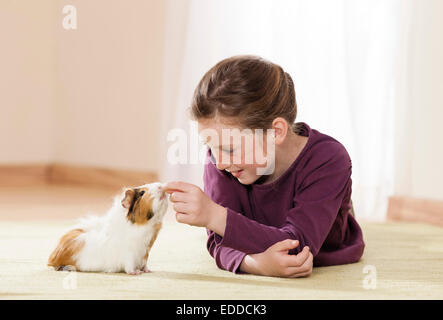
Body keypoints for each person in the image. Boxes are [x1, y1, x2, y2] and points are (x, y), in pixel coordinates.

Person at [165, 55, 365, 278]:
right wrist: (254, 263)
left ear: (276, 132)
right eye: (211, 146)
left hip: (323, 242)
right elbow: (219, 241)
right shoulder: (221, 159)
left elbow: (298, 247)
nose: (220, 163)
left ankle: (340, 207)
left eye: (230, 149)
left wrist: (214, 215)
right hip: (257, 238)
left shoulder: (328, 158)